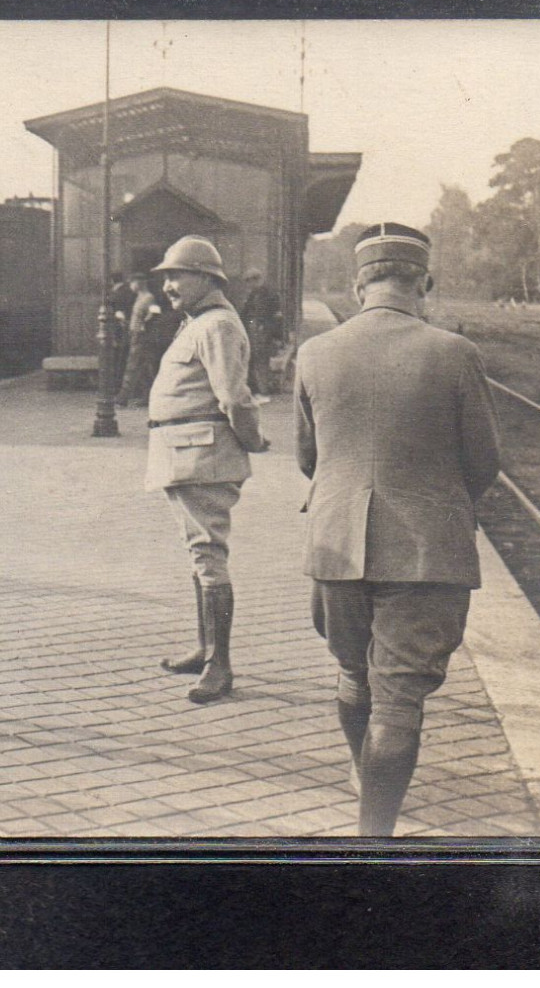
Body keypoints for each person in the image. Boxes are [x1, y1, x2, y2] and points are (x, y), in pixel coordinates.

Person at [293, 222, 500, 836]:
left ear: (358, 285)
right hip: (425, 550)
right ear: (424, 282)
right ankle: (373, 840)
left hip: (334, 545)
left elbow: (309, 459)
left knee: (354, 673)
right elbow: (483, 461)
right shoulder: (455, 353)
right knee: (400, 700)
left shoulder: (314, 352)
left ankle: (366, 784)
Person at [145, 236, 270, 703]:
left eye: (177, 276)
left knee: (207, 556)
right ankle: (204, 649)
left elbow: (234, 398)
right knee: (198, 554)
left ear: (207, 278)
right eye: (166, 278)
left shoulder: (216, 325)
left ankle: (219, 665)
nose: (169, 286)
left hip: (202, 454)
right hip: (183, 454)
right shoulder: (198, 323)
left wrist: (253, 440)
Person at [238, 267, 283, 403]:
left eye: (249, 281)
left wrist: (276, 336)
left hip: (263, 332)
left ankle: (263, 392)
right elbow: (246, 313)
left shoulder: (269, 294)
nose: (248, 285)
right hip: (254, 331)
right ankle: (257, 391)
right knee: (254, 361)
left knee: (261, 362)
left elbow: (276, 317)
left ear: (256, 280)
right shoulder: (254, 294)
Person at [116, 273, 160, 407]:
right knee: (144, 368)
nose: (130, 286)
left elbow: (156, 313)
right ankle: (149, 397)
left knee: (132, 365)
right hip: (136, 335)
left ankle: (122, 398)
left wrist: (143, 325)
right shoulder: (140, 298)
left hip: (141, 336)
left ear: (139, 282)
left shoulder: (148, 298)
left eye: (132, 283)